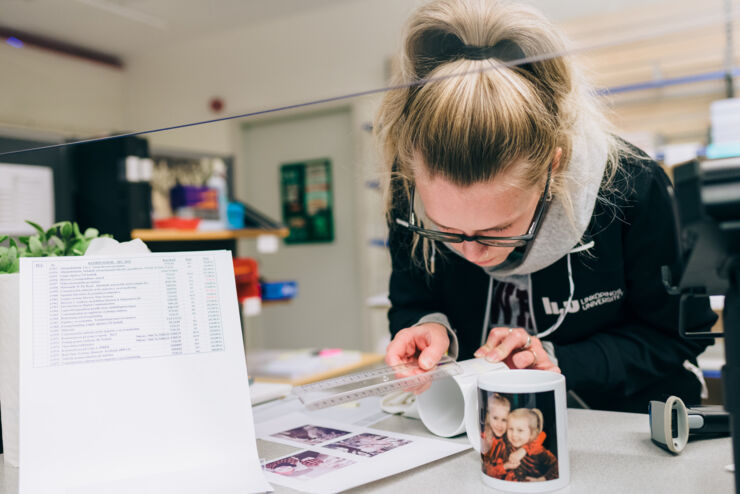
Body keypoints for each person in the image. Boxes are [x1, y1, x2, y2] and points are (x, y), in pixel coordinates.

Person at [377, 0, 715, 412]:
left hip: (619, 424)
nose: (471, 253)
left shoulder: (632, 187)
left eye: (497, 229)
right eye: (444, 228)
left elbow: (678, 336)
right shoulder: (408, 188)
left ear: (553, 168)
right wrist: (427, 325)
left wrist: (560, 362)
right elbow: (412, 298)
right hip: (477, 425)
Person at [502, 408, 558, 482]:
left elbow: (558, 467)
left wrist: (542, 479)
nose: (514, 434)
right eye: (510, 429)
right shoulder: (506, 442)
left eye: (520, 430)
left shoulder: (538, 451)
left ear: (532, 434)